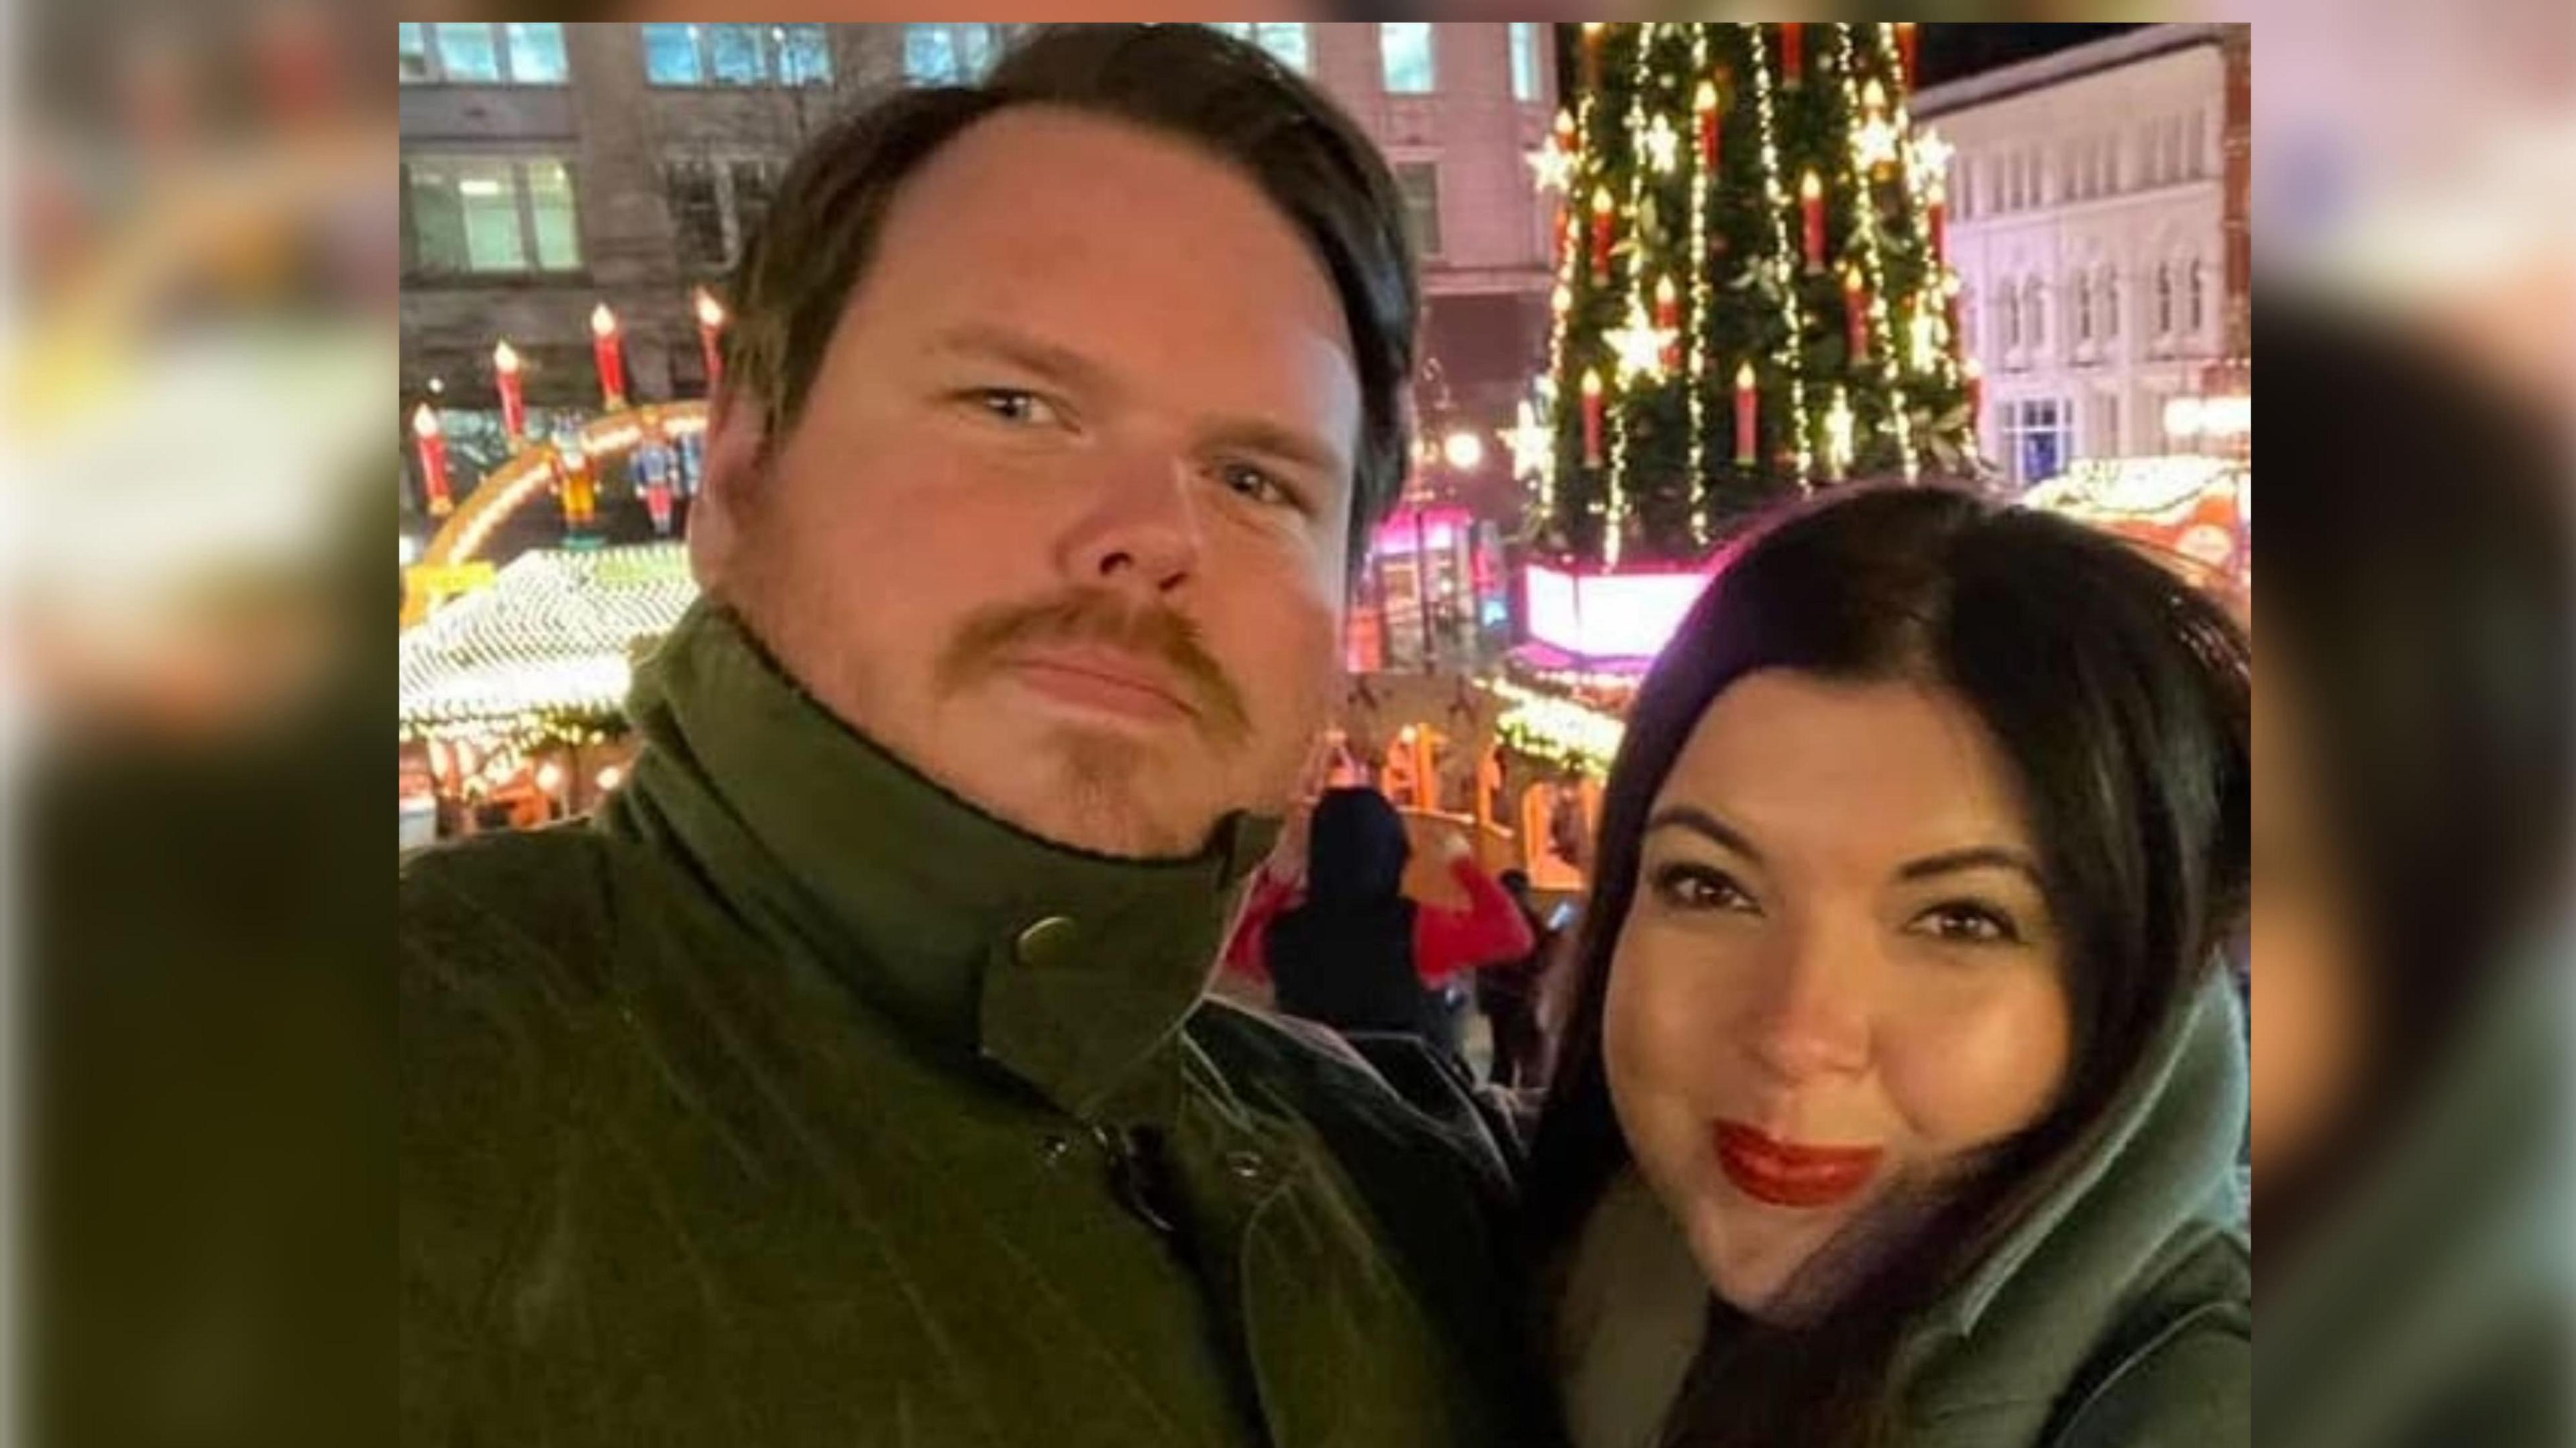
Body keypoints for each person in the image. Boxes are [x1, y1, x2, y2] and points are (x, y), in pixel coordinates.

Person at [398, 26, 1554, 1447]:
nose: (1152, 532)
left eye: (1255, 476)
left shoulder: (1411, 1201)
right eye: (1017, 405)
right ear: (744, 469)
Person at [1523, 484, 2251, 1448]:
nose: (1796, 1032)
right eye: (1710, 887)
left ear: (2139, 981)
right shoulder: (1559, 1293)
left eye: (1960, 919)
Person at [1248, 787, 1535, 1062]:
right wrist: (1462, 863)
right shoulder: (1418, 927)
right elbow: (1513, 936)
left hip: (1319, 1095)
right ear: (1396, 852)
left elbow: (1235, 945)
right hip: (1414, 1101)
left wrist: (1278, 884)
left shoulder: (1284, 931)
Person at [1476, 869, 1557, 1091]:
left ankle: (1500, 1104)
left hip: (1504, 998)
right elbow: (1541, 958)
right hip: (1519, 998)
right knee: (1527, 1060)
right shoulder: (1529, 920)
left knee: (1505, 1059)